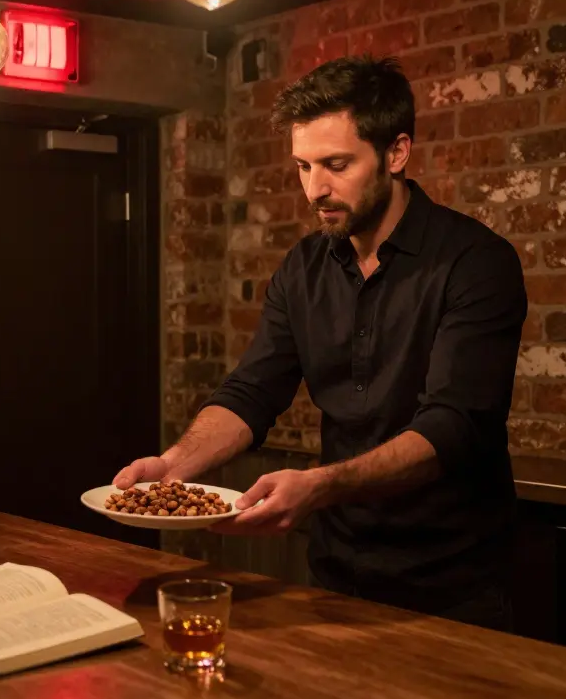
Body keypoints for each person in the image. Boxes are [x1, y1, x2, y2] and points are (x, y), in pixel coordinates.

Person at [115, 56, 527, 631]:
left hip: (455, 584)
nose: (315, 189)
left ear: (397, 153)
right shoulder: (302, 268)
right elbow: (252, 391)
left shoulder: (475, 263)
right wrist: (174, 464)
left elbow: (455, 426)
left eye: (336, 165)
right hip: (336, 570)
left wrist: (318, 485)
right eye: (303, 166)